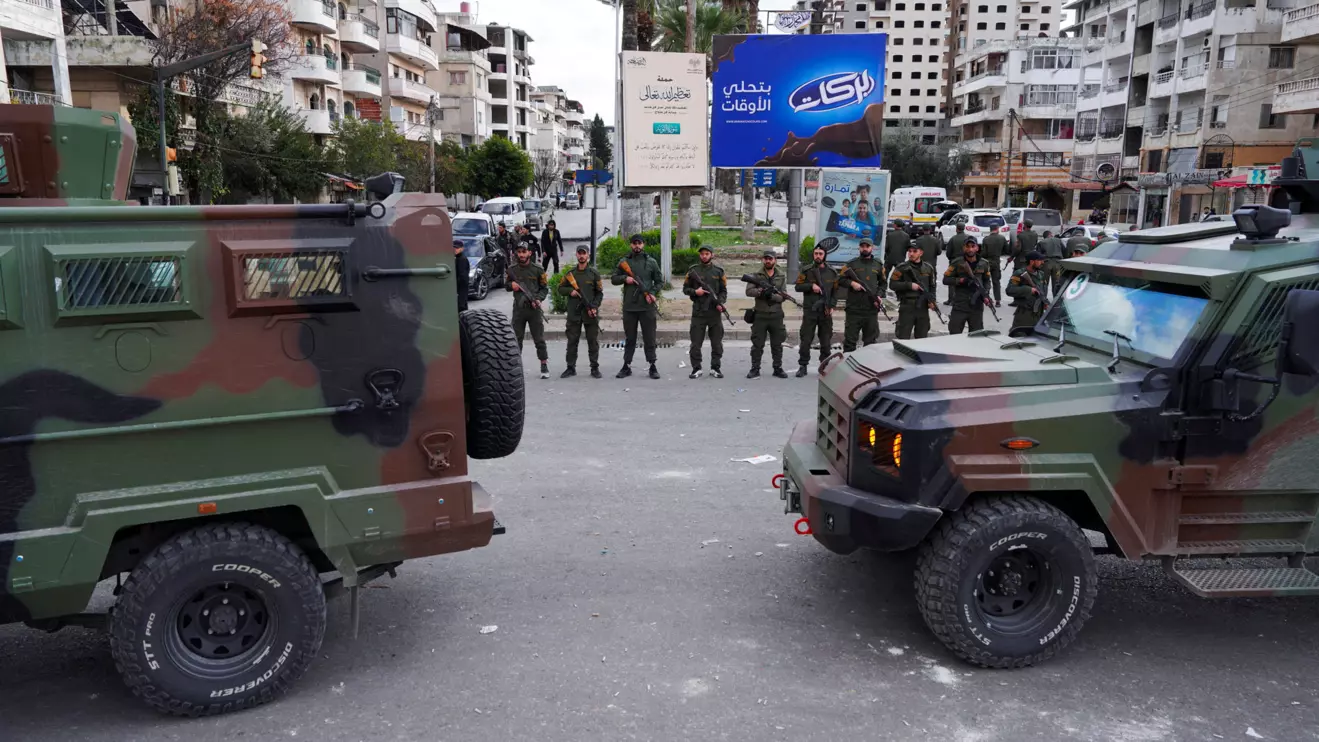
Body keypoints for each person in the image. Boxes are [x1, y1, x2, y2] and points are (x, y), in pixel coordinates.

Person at [611, 234, 664, 380]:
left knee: (650, 337)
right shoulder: (624, 262)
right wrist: (625, 278)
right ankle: (626, 365)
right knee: (630, 338)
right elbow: (614, 279)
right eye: (634, 243)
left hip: (647, 307)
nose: (637, 246)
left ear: (643, 245)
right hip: (630, 308)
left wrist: (652, 293)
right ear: (631, 245)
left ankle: (652, 365)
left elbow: (660, 282)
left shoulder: (651, 262)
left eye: (639, 243)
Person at [683, 245, 728, 379]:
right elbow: (685, 289)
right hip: (698, 313)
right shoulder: (693, 271)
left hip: (714, 313)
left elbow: (723, 291)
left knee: (717, 343)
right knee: (696, 343)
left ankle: (715, 368)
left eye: (707, 254)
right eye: (702, 254)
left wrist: (720, 303)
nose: (704, 256)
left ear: (712, 255)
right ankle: (696, 368)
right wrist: (695, 292)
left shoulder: (719, 271)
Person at [558, 245, 603, 378]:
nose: (582, 256)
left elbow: (599, 293)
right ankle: (570, 367)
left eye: (584, 253)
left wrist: (594, 307)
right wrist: (569, 291)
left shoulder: (594, 274)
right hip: (574, 313)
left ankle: (594, 368)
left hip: (590, 313)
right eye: (579, 253)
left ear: (588, 255)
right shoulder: (570, 274)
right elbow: (560, 289)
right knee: (572, 341)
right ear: (576, 255)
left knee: (592, 342)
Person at [794, 245, 838, 377]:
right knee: (806, 339)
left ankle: (824, 365)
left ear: (825, 255)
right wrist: (810, 286)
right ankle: (803, 366)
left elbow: (835, 291)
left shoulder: (832, 272)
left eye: (820, 253)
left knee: (825, 341)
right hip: (810, 311)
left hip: (825, 312)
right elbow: (797, 286)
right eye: (816, 253)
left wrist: (832, 306)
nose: (818, 256)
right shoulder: (807, 270)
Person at [744, 250, 789, 379]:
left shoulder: (781, 275)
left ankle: (778, 368)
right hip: (760, 314)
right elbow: (749, 291)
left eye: (770, 259)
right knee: (757, 344)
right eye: (766, 259)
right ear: (763, 260)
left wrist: (773, 296)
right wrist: (762, 292)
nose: (768, 261)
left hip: (776, 315)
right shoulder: (756, 275)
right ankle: (755, 368)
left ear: (775, 260)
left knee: (777, 344)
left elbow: (783, 295)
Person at [508, 242, 550, 379]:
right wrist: (511, 285)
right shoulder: (512, 269)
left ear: (529, 253)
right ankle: (515, 367)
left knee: (539, 339)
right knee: (516, 340)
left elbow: (544, 288)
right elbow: (506, 284)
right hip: (519, 310)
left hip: (534, 310)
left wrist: (538, 299)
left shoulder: (538, 269)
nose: (521, 254)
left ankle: (544, 365)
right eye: (519, 252)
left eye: (524, 252)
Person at [838, 237, 885, 352]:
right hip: (854, 309)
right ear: (859, 248)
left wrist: (879, 295)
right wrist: (852, 283)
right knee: (850, 342)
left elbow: (883, 284)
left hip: (871, 309)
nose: (865, 249)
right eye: (862, 246)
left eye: (867, 246)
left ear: (872, 248)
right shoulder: (851, 264)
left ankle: (867, 367)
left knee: (870, 343)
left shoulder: (878, 265)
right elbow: (840, 280)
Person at [888, 241, 937, 340]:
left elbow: (932, 286)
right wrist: (909, 285)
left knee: (922, 338)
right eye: (909, 251)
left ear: (921, 253)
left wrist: (932, 300)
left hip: (922, 308)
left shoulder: (928, 268)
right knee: (903, 337)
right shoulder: (901, 268)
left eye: (915, 251)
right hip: (907, 307)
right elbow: (892, 284)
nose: (911, 254)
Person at [942, 239, 991, 335]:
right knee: (954, 333)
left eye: (973, 246)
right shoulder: (957, 262)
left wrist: (986, 295)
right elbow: (946, 279)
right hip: (960, 305)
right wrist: (961, 280)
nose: (970, 249)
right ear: (963, 248)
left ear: (977, 248)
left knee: (976, 336)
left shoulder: (984, 263)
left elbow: (987, 281)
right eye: (967, 246)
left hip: (976, 307)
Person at [1006, 251, 1048, 330]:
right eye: (1039, 260)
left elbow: (1042, 291)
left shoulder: (1041, 274)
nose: (1042, 262)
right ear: (1032, 262)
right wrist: (1028, 290)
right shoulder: (1019, 273)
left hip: (1039, 314)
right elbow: (1009, 290)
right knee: (1019, 336)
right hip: (1025, 314)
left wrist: (1045, 302)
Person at [981, 226, 1008, 308]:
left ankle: (986, 298)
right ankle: (998, 301)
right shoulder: (1002, 238)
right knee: (996, 281)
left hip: (987, 263)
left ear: (990, 230)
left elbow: (983, 253)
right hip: (996, 262)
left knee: (986, 280)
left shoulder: (986, 239)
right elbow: (1007, 250)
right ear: (997, 229)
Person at [1038, 229, 1066, 298]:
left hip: (1046, 264)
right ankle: (1055, 300)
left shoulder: (1041, 242)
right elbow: (1065, 251)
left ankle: (1043, 300)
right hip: (1058, 264)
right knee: (1056, 283)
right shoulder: (1059, 240)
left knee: (1044, 283)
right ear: (1050, 234)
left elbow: (1038, 255)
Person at [454, 239, 469, 313]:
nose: (455, 250)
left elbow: (463, 276)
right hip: (460, 286)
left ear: (462, 248)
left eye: (457, 248)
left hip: (461, 286)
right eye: (454, 248)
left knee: (461, 306)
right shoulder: (457, 258)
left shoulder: (462, 259)